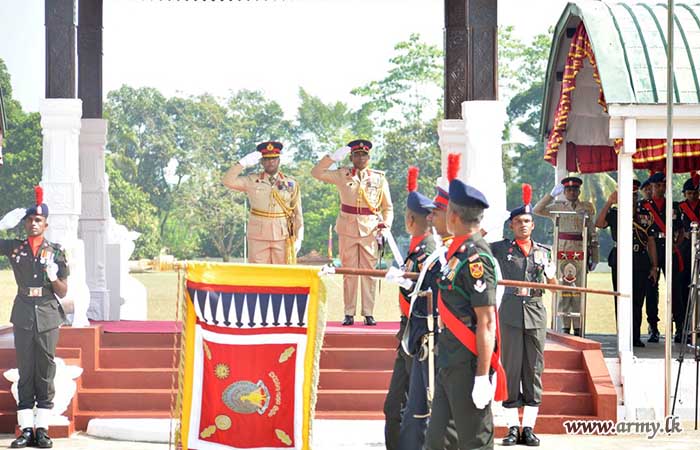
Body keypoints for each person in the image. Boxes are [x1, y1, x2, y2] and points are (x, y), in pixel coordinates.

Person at [423, 178, 507, 450]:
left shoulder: (476, 258)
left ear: (454, 215)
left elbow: (486, 321)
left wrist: (482, 377)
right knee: (438, 440)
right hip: (449, 355)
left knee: (474, 441)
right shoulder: (457, 251)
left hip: (469, 362)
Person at [0, 187, 69, 449]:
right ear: (25, 222)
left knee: (45, 370)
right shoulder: (15, 248)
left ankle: (43, 429)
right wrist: (3, 225)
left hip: (48, 313)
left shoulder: (57, 251)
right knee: (25, 369)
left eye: (38, 220)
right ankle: (26, 429)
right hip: (24, 312)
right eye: (29, 219)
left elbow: (63, 291)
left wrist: (53, 277)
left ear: (46, 224)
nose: (33, 223)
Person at [491, 184, 556, 447]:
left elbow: (552, 282)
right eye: (518, 222)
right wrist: (496, 218)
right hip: (510, 313)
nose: (523, 225)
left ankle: (528, 427)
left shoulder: (543, 251)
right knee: (511, 369)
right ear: (511, 226)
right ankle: (511, 427)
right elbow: (476, 242)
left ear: (533, 225)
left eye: (527, 221)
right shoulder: (501, 248)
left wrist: (554, 274)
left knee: (533, 370)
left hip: (536, 313)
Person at [311, 139, 394, 325]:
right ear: (351, 157)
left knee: (369, 272)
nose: (361, 158)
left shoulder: (379, 178)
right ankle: (348, 312)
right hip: (347, 228)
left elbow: (388, 207)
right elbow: (316, 173)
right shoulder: (343, 174)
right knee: (349, 272)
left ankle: (368, 312)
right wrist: (332, 158)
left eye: (364, 155)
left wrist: (385, 225)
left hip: (370, 230)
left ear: (369, 157)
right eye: (357, 155)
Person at [383, 167, 436, 450]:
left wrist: (405, 283)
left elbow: (426, 292)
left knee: (413, 406)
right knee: (394, 406)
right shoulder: (416, 248)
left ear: (411, 217)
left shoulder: (428, 250)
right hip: (407, 331)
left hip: (419, 335)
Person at [595, 181, 658, 347]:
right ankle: (623, 336)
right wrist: (609, 202)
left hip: (640, 260)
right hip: (620, 258)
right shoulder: (615, 213)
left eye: (635, 195)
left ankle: (635, 336)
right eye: (629, 195)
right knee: (620, 299)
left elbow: (651, 241)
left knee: (638, 300)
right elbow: (599, 223)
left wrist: (654, 266)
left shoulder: (645, 214)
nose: (632, 198)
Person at [533, 176, 598, 336]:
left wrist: (594, 256)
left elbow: (592, 233)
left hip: (580, 252)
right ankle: (564, 327)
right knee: (563, 289)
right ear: (564, 192)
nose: (571, 192)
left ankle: (577, 327)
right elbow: (537, 209)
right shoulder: (558, 206)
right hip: (562, 253)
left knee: (577, 290)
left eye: (574, 189)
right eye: (568, 190)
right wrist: (551, 195)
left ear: (579, 191)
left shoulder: (586, 207)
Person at [222, 141, 303, 264]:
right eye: (267, 159)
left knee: (282, 275)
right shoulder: (252, 180)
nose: (270, 162)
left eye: (274, 159)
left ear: (279, 160)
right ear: (261, 162)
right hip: (258, 236)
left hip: (282, 236)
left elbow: (297, 214)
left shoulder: (291, 183)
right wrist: (242, 163)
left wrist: (299, 236)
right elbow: (227, 181)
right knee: (258, 275)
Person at [640, 172, 682, 343]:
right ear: (651, 187)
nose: (660, 188)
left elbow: (680, 230)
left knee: (675, 289)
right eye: (657, 185)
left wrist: (676, 245)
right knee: (652, 289)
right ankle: (653, 327)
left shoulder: (673, 205)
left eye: (663, 185)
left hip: (668, 249)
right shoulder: (643, 206)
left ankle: (678, 327)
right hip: (652, 248)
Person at [674, 175, 700, 343]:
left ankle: (696, 327)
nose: (692, 196)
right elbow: (676, 228)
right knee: (681, 290)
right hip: (683, 251)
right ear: (685, 194)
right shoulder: (680, 208)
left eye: (695, 193)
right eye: (689, 193)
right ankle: (681, 327)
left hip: (698, 250)